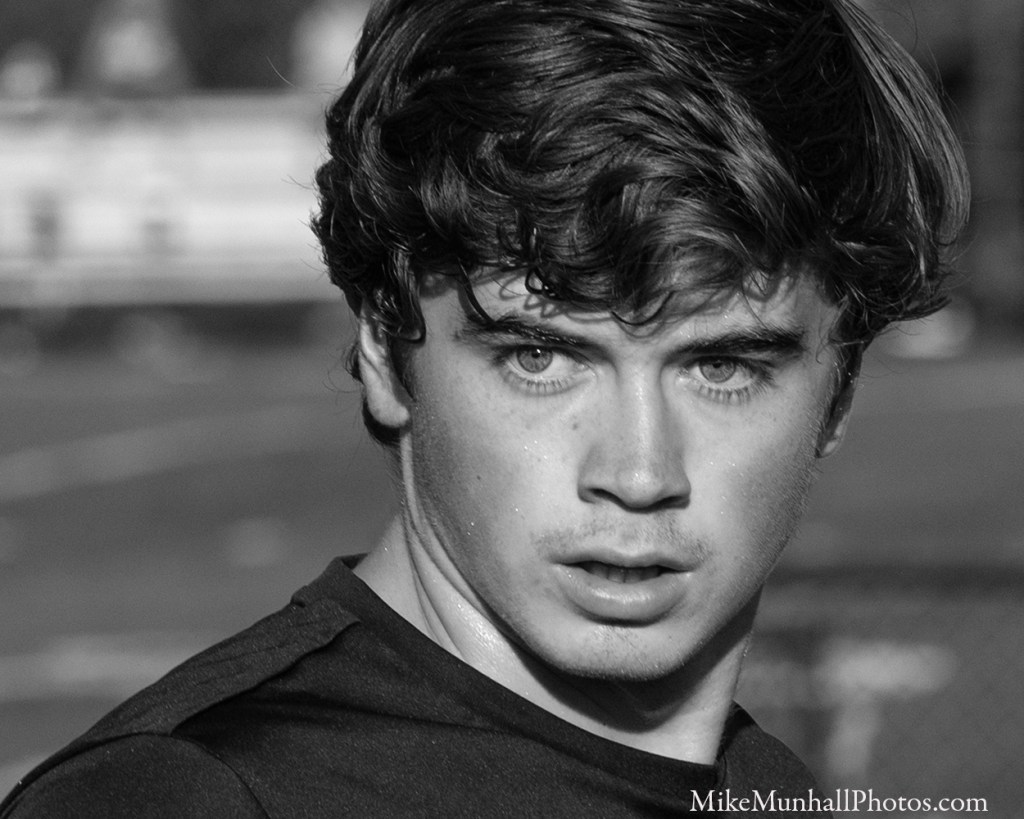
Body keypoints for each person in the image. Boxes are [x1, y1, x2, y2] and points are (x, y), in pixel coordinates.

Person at [1, 0, 967, 816]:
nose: (638, 473)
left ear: (840, 387)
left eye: (722, 367)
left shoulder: (772, 792)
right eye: (541, 356)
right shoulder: (190, 798)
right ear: (386, 350)